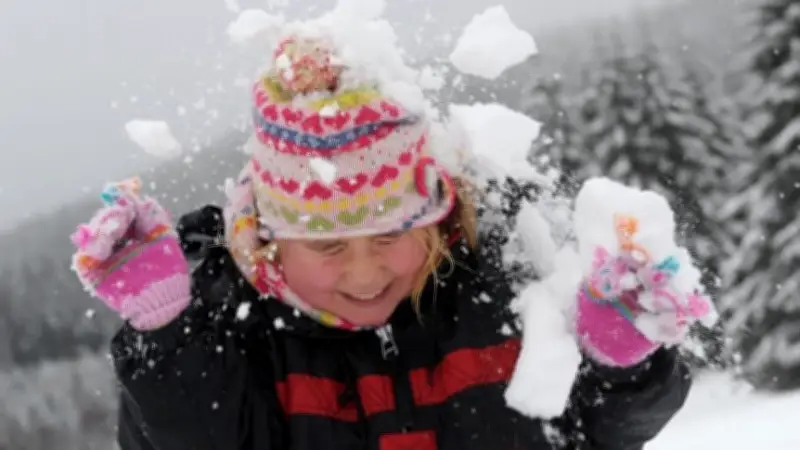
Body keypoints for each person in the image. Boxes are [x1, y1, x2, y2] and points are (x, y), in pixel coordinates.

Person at [70, 34, 696, 450]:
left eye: (393, 234)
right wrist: (168, 334)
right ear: (270, 241)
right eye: (329, 247)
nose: (365, 274)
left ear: (436, 221)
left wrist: (623, 367)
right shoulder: (236, 331)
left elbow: (597, 437)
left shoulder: (500, 289)